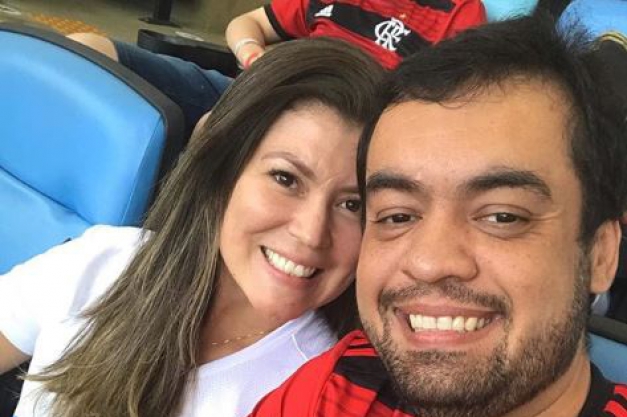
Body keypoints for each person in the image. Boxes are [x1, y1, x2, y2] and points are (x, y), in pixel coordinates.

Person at [248, 15, 627, 417]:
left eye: (502, 217)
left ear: (600, 255)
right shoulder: (338, 386)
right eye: (397, 216)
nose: (429, 263)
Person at [0, 37, 385, 417]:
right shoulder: (103, 263)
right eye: (285, 179)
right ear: (222, 169)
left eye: (352, 205)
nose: (311, 232)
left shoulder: (325, 393)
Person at [68, 0, 485, 139]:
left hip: (337, 133)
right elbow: (247, 23)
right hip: (258, 90)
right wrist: (253, 55)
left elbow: (450, 107)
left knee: (215, 128)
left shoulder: (460, 13)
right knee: (87, 51)